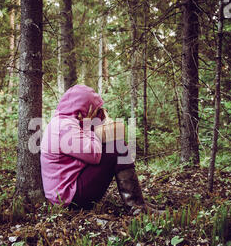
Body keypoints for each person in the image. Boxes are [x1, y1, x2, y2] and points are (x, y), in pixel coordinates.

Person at [40, 84, 151, 214]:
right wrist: (89, 125)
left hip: (66, 192)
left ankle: (138, 203)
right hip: (69, 198)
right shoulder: (65, 127)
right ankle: (137, 207)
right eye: (94, 109)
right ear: (84, 108)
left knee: (115, 146)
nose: (97, 113)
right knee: (117, 149)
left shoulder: (63, 121)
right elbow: (94, 155)